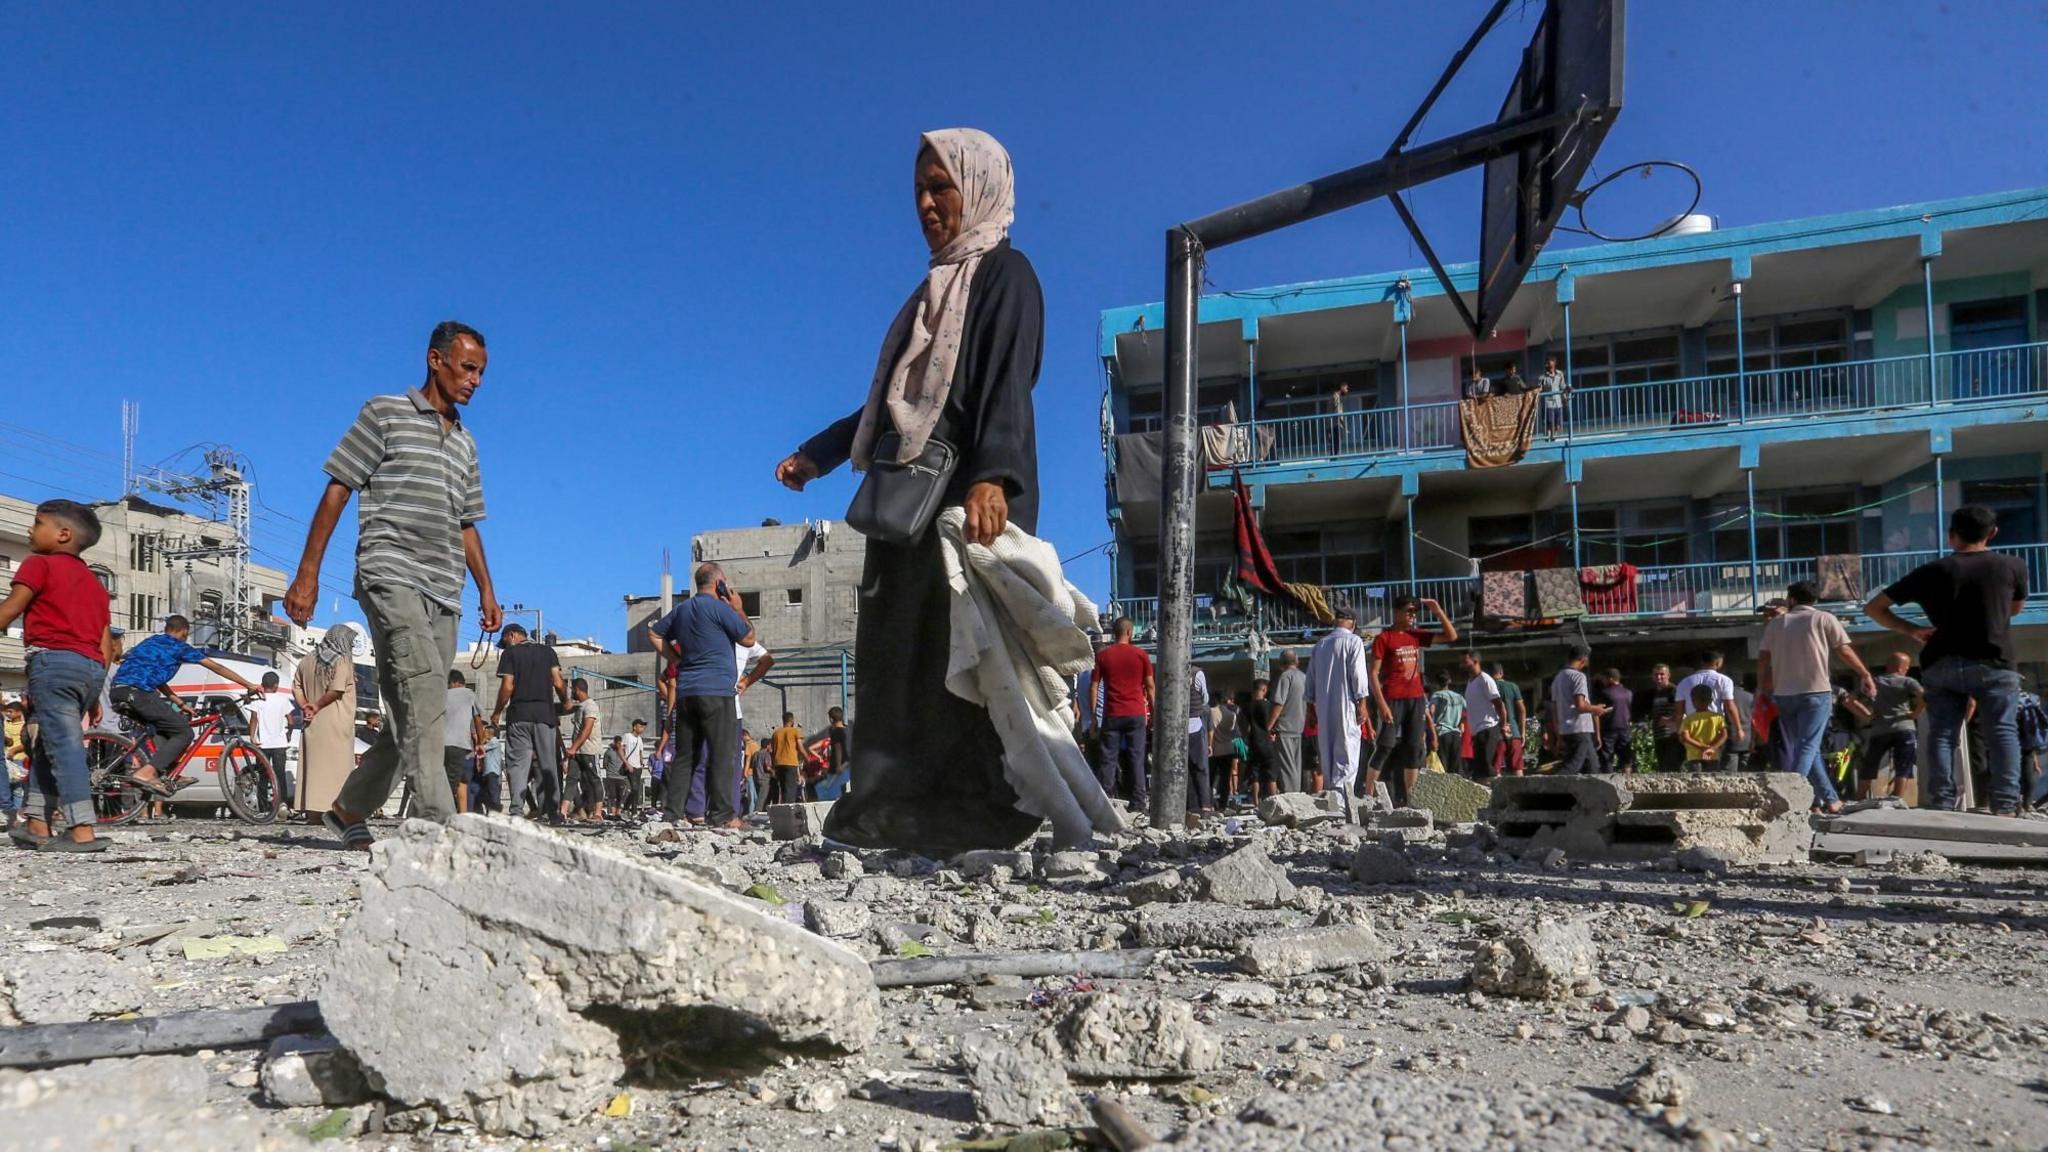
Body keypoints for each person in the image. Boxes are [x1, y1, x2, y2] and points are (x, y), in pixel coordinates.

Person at [773, 129, 1048, 855]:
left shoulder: (1004, 276)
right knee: (896, 657)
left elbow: (1004, 384)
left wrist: (996, 475)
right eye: (919, 191)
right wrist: (820, 454)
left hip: (966, 503)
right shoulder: (930, 294)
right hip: (903, 509)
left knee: (963, 658)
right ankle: (890, 805)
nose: (926, 204)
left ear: (979, 187)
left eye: (941, 187)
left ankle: (979, 810)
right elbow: (892, 403)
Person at [284, 322, 503, 849]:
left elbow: (466, 523)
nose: (475, 380)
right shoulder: (384, 413)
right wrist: (307, 573)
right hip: (390, 572)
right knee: (425, 692)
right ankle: (437, 829)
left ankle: (347, 808)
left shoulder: (466, 444)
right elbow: (338, 488)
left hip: (445, 589)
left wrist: (487, 591)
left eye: (481, 372)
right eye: (467, 367)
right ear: (435, 360)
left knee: (412, 710)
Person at [1865, 506, 2030, 815]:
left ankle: (1942, 803)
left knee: (1942, 734)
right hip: (1995, 659)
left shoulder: (1933, 571)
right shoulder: (2012, 566)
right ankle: (2006, 805)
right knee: (2002, 732)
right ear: (1992, 533)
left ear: (1951, 535)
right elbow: (2015, 608)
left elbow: (1875, 608)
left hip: (1941, 661)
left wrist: (1911, 629)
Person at [0, 500, 117, 850]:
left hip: (52, 664)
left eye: (37, 524)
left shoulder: (40, 565)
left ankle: (81, 828)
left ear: (63, 534)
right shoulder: (95, 585)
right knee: (47, 741)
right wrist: (95, 690)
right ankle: (37, 822)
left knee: (63, 744)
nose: (30, 531)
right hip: (89, 669)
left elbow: (12, 608)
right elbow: (105, 642)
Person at [107, 613, 263, 796]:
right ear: (183, 632)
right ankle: (146, 773)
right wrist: (248, 684)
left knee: (165, 730)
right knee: (184, 732)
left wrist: (180, 703)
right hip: (138, 693)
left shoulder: (148, 642)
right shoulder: (179, 647)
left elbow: (154, 679)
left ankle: (167, 773)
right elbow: (216, 667)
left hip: (119, 692)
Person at [651, 563, 756, 829]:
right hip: (717, 691)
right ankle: (723, 815)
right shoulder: (721, 609)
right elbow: (748, 639)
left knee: (686, 755)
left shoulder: (682, 610)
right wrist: (738, 607)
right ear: (719, 583)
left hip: (687, 692)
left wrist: (676, 659)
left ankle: (673, 812)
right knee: (723, 753)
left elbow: (653, 632)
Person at [1760, 580, 1876, 814]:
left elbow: (1764, 658)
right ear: (1814, 600)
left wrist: (1762, 687)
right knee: (1808, 746)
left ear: (1791, 599)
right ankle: (1791, 792)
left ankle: (1831, 800)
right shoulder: (1824, 618)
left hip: (1784, 695)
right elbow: (1844, 650)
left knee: (1806, 748)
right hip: (1816, 692)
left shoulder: (1775, 625)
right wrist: (1865, 674)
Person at [1365, 595, 1457, 807]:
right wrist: (1381, 704)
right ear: (1396, 612)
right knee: (1385, 745)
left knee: (1414, 748)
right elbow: (1373, 673)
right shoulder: (1384, 638)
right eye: (1408, 611)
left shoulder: (1415, 635)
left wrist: (1437, 610)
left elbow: (1451, 636)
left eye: (1415, 612)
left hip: (1416, 698)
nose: (1412, 616)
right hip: (1393, 698)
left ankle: (1412, 800)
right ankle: (1368, 796)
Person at [492, 624, 569, 824]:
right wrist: (566, 701)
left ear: (512, 635)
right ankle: (552, 813)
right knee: (548, 763)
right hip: (545, 714)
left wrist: (497, 712)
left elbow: (508, 686)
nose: (506, 647)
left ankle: (516, 811)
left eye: (506, 642)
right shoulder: (548, 652)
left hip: (519, 715)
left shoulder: (510, 655)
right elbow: (558, 682)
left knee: (517, 765)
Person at [293, 625, 359, 823]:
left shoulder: (307, 659)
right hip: (335, 722)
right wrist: (317, 705)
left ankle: (313, 814)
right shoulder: (342, 660)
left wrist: (305, 706)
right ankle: (336, 813)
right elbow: (336, 690)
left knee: (313, 768)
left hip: (312, 723)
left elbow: (296, 687)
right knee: (337, 769)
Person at [1308, 609, 1372, 810]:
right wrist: (1362, 702)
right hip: (1347, 702)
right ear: (1352, 623)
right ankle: (1343, 799)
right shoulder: (1354, 642)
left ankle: (1333, 797)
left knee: (1327, 748)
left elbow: (1311, 677)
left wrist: (1311, 706)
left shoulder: (1321, 645)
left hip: (1324, 705)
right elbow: (1358, 675)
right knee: (1347, 748)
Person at [1091, 618, 1154, 806]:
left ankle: (1106, 801)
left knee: (1108, 759)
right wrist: (1153, 712)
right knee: (1137, 758)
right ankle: (1138, 801)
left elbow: (1094, 686)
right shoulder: (1141, 655)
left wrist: (1094, 716)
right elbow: (1150, 686)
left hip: (1112, 713)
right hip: (1136, 713)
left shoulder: (1103, 656)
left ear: (1116, 632)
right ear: (1129, 632)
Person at [1675, 651, 1746, 770]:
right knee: (1713, 764)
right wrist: (1739, 729)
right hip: (1714, 726)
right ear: (1718, 662)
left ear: (1702, 662)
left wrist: (1679, 730)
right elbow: (1729, 706)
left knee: (1694, 764)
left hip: (1692, 728)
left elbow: (1679, 709)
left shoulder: (1685, 682)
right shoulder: (1724, 680)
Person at [245, 671, 299, 816]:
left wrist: (252, 737)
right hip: (280, 744)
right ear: (276, 685)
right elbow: (291, 721)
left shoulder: (258, 700)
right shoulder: (283, 700)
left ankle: (263, 809)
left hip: (262, 744)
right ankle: (282, 804)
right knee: (279, 774)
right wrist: (288, 734)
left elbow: (253, 719)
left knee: (263, 776)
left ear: (263, 684)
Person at [1550, 645, 1606, 774]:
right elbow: (1580, 705)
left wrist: (1558, 733)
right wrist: (1596, 709)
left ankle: (1593, 792)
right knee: (1573, 765)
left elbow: (1554, 707)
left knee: (1593, 765)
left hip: (1566, 729)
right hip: (1580, 728)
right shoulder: (1578, 676)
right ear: (1583, 660)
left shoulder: (1558, 678)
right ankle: (1553, 787)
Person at [439, 670, 485, 814]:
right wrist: (480, 743)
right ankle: (444, 816)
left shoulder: (442, 695)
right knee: (453, 783)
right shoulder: (469, 694)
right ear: (460, 682)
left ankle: (463, 815)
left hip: (440, 743)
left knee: (461, 780)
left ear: (451, 682)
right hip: (459, 744)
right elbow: (478, 720)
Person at [563, 678, 604, 823]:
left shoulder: (591, 706)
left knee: (594, 780)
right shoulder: (580, 707)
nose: (571, 692)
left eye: (572, 689)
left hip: (589, 751)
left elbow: (587, 730)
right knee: (571, 780)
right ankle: (562, 812)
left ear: (577, 689)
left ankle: (598, 813)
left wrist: (573, 747)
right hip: (578, 752)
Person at [1460, 652, 1505, 779]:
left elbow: (1498, 703)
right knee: (1479, 768)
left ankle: (1498, 786)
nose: (1462, 664)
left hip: (1488, 727)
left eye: (1465, 661)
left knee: (1486, 764)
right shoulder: (1470, 682)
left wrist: (1503, 724)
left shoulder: (1485, 679)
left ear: (1475, 661)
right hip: (1477, 731)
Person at [1270, 650, 1309, 793]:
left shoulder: (1285, 677)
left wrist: (1269, 726)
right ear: (1296, 661)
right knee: (1296, 767)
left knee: (1287, 768)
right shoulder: (1304, 677)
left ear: (1281, 664)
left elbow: (1278, 703)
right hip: (1299, 727)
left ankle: (1291, 800)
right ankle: (1297, 797)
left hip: (1285, 728)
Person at [1182, 664, 1213, 826]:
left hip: (1178, 728)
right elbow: (1205, 698)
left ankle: (1191, 807)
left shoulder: (1171, 671)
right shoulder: (1197, 673)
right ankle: (1205, 806)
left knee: (1184, 770)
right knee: (1200, 768)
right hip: (1195, 724)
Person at [1641, 664, 1684, 771]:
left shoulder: (1674, 690)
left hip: (1673, 735)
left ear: (1668, 675)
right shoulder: (1652, 693)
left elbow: (1682, 709)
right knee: (1662, 766)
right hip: (1659, 734)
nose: (1659, 677)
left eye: (1662, 674)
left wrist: (1670, 719)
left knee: (1673, 766)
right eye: (1656, 674)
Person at [1491, 662, 1528, 776]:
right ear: (1501, 673)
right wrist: (1522, 732)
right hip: (1514, 732)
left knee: (1495, 769)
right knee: (1517, 769)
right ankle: (1521, 792)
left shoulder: (1489, 687)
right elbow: (1522, 710)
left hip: (1496, 733)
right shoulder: (1513, 686)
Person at [807, 706, 852, 801]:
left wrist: (839, 766)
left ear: (831, 719)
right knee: (840, 792)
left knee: (824, 792)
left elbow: (838, 748)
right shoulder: (849, 731)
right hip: (848, 767)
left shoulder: (835, 732)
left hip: (837, 768)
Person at [1241, 682, 1277, 798]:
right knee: (1271, 773)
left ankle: (1256, 802)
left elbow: (1245, 727)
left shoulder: (1246, 707)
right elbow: (1272, 723)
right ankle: (1274, 799)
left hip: (1253, 741)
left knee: (1255, 774)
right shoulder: (1268, 706)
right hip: (1266, 741)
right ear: (1264, 690)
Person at [1680, 683, 1728, 766]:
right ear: (1711, 700)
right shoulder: (1718, 717)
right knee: (1713, 778)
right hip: (1712, 755)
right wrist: (1712, 748)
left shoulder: (1689, 719)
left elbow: (1685, 737)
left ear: (1692, 700)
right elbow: (1724, 735)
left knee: (1694, 778)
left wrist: (1702, 747)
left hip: (1693, 755)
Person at [1428, 670, 1466, 775]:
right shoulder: (1459, 697)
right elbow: (1466, 712)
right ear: (1449, 681)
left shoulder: (1437, 695)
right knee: (1456, 766)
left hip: (1442, 732)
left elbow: (1431, 710)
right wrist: (1461, 724)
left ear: (1436, 683)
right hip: (1455, 733)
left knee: (1443, 766)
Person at [1598, 669, 1634, 773]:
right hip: (1625, 728)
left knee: (1607, 758)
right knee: (1626, 758)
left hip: (1609, 729)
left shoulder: (1605, 693)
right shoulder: (1628, 693)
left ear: (1610, 679)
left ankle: (1608, 781)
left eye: (1604, 679)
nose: (1603, 681)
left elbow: (1599, 711)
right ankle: (1628, 782)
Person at [1208, 692, 1240, 806]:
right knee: (1225, 778)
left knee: (1211, 778)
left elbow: (1210, 730)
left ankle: (1209, 802)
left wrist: (1209, 745)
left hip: (1215, 749)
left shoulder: (1212, 712)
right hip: (1228, 749)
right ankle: (1223, 803)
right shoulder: (1232, 715)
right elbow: (1233, 731)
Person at [772, 712, 806, 807]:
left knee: (783, 789)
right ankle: (789, 810)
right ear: (792, 721)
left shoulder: (776, 733)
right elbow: (800, 747)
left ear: (783, 721)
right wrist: (807, 757)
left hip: (778, 764)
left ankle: (784, 809)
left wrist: (773, 766)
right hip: (790, 763)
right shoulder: (794, 731)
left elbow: (772, 751)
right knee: (791, 788)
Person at [2, 699, 27, 828]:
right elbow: (8, 741)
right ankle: (9, 815)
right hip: (7, 760)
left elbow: (25, 742)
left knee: (18, 790)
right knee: (7, 787)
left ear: (19, 712)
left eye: (10, 712)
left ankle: (17, 815)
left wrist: (14, 750)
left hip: (19, 759)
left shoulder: (24, 725)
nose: (8, 714)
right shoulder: (6, 724)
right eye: (7, 712)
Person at [1727, 673, 1758, 772]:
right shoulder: (1751, 697)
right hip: (1748, 739)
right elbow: (1755, 720)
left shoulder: (1726, 699)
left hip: (1731, 738)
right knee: (1746, 771)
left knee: (1729, 774)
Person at [618, 718, 648, 813]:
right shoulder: (627, 736)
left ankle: (634, 811)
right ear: (635, 727)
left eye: (643, 727)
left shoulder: (639, 739)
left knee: (636, 791)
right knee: (634, 789)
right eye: (640, 726)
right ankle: (626, 807)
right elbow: (620, 750)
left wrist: (642, 762)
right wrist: (626, 763)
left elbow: (640, 752)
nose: (642, 729)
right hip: (630, 766)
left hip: (638, 767)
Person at [1538, 355, 1567, 439]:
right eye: (1548, 364)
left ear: (1554, 364)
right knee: (1550, 422)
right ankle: (1549, 437)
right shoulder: (1543, 377)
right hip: (1548, 403)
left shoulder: (1559, 374)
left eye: (1551, 364)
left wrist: (1565, 393)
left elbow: (1562, 386)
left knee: (1558, 424)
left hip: (1558, 402)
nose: (1550, 367)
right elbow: (1539, 389)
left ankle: (1554, 436)